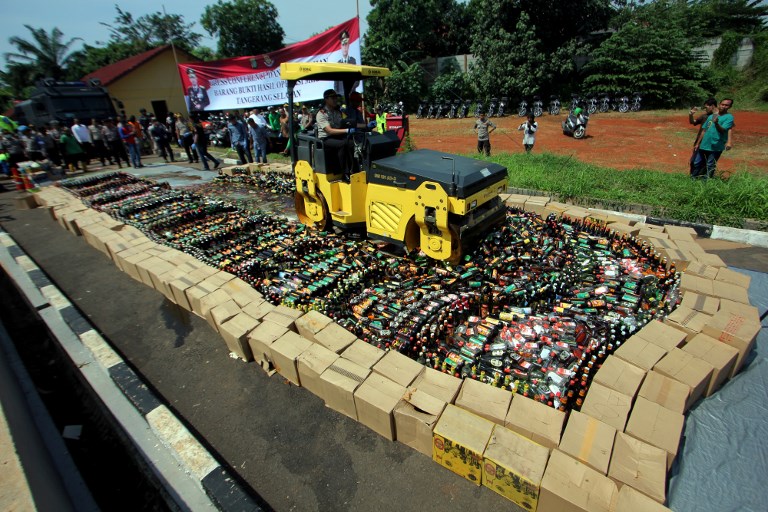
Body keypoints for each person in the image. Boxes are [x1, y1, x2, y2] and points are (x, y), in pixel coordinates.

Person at [316, 88, 358, 177]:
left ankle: (354, 169)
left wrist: (363, 126)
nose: (335, 100)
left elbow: (346, 122)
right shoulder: (321, 114)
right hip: (326, 138)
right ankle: (344, 173)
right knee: (342, 144)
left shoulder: (338, 111)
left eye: (336, 97)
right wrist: (347, 130)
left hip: (338, 135)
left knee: (352, 143)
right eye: (333, 98)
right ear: (326, 99)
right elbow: (329, 130)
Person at [692, 98, 734, 179]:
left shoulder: (729, 117)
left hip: (716, 146)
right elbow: (704, 130)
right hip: (704, 144)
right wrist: (697, 144)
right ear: (719, 104)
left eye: (726, 105)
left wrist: (717, 123)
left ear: (730, 107)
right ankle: (693, 179)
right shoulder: (711, 116)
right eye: (722, 104)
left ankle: (706, 182)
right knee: (696, 163)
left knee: (710, 165)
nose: (723, 106)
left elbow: (723, 130)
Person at [688, 98, 717, 176]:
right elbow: (693, 122)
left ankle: (704, 178)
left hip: (711, 144)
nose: (705, 109)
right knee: (694, 162)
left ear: (713, 106)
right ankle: (693, 177)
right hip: (699, 142)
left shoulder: (718, 116)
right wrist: (691, 115)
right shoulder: (704, 116)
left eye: (706, 107)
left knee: (708, 163)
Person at [333, 30, 358, 94]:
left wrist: (351, 90)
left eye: (346, 44)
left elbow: (357, 79)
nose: (345, 47)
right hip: (341, 95)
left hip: (352, 93)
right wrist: (337, 94)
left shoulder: (353, 61)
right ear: (340, 46)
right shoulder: (338, 63)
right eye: (343, 44)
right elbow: (336, 83)